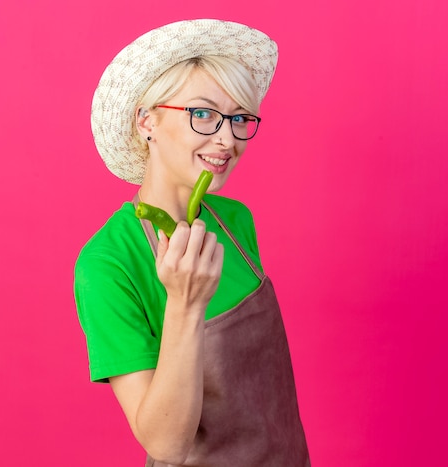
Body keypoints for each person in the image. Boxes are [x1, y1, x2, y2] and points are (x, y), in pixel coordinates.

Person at [74, 19, 309, 466]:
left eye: (240, 118)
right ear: (147, 121)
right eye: (203, 114)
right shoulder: (107, 262)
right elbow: (165, 445)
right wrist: (185, 304)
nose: (227, 139)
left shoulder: (236, 222)